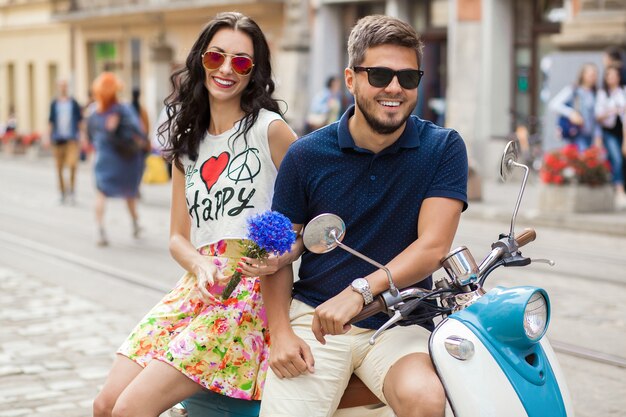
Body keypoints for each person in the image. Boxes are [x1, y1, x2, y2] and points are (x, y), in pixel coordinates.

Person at [92, 12, 298, 417]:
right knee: (105, 405)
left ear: (253, 73)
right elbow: (177, 237)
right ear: (199, 59)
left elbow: (309, 217)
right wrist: (199, 263)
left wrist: (282, 252)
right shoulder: (188, 144)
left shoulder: (270, 130)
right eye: (215, 57)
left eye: (241, 62)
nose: (225, 69)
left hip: (247, 298)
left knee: (130, 410)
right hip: (196, 287)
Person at [260, 15, 468, 417]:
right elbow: (278, 256)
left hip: (400, 322)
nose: (394, 88)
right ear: (351, 79)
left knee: (426, 399)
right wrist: (281, 333)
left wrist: (358, 293)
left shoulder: (442, 147)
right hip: (316, 319)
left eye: (408, 78)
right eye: (379, 74)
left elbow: (432, 247)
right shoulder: (306, 154)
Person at [86, 72, 147, 246]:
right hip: (126, 158)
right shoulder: (123, 108)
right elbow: (139, 130)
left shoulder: (93, 112)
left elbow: (90, 136)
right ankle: (135, 224)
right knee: (129, 193)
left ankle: (99, 230)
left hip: (104, 158)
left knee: (101, 192)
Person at [46, 79, 84, 205]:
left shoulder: (73, 103)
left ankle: (72, 191)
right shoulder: (54, 103)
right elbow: (50, 121)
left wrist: (83, 136)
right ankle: (62, 192)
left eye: (65, 86)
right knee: (59, 168)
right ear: (58, 87)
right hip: (58, 140)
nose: (63, 88)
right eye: (61, 86)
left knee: (73, 165)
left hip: (72, 139)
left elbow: (80, 121)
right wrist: (48, 137)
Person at [549, 63, 602, 151]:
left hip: (591, 136)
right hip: (577, 135)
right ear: (583, 75)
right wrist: (571, 113)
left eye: (596, 74)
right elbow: (554, 104)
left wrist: (598, 135)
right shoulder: (574, 89)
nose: (594, 77)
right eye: (591, 74)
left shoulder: (596, 93)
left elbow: (595, 117)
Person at [595, 65, 626, 206]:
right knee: (617, 159)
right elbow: (598, 116)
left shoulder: (623, 92)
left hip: (622, 131)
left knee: (619, 161)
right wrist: (612, 111)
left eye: (615, 75)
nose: (612, 78)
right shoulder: (602, 94)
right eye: (610, 76)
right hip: (609, 132)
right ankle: (619, 190)